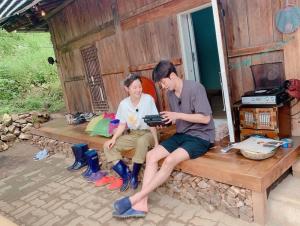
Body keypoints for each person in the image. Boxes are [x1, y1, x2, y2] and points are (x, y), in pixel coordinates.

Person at [112, 60, 215, 218]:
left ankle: (136, 198)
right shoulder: (170, 94)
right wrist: (166, 121)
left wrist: (177, 115)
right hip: (182, 134)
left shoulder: (196, 88)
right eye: (160, 83)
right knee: (151, 155)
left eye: (163, 82)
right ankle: (142, 204)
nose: (162, 86)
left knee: (169, 160)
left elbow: (205, 118)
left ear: (172, 76)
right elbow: (179, 118)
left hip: (200, 136)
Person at [103, 73, 159, 192]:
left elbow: (153, 122)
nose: (138, 90)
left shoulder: (148, 99)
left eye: (139, 86)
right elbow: (122, 124)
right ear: (127, 89)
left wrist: (157, 143)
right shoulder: (124, 104)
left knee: (142, 141)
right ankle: (125, 175)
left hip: (149, 133)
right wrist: (113, 138)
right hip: (134, 134)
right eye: (135, 87)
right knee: (107, 146)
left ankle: (134, 175)